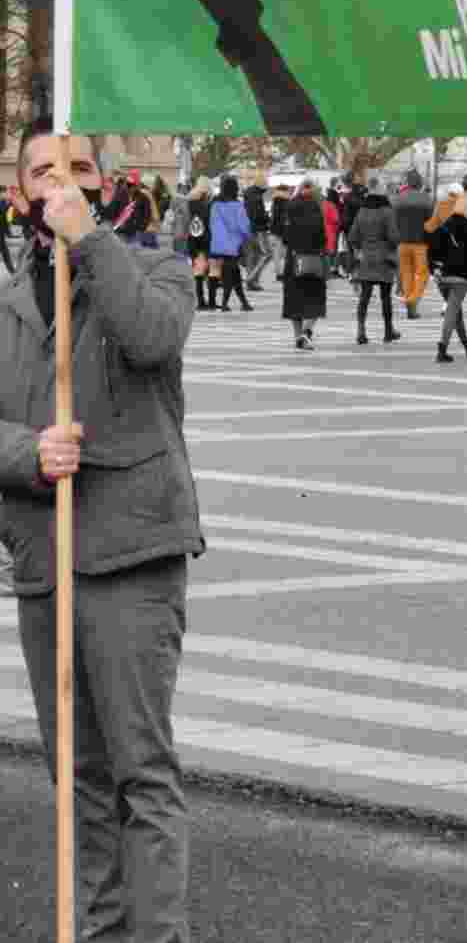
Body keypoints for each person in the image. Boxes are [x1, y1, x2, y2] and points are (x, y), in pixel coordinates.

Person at [0, 116, 203, 943]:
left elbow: (150, 338)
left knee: (140, 774)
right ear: (16, 193)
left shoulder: (156, 270)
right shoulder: (9, 304)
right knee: (76, 780)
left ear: (106, 185)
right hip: (46, 560)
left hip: (131, 556)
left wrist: (90, 245)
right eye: (43, 170)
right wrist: (26, 452)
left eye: (79, 167)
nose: (62, 182)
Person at [428, 186, 467, 363]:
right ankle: (442, 349)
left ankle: (466, 344)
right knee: (452, 311)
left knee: (455, 310)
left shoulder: (445, 225)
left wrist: (433, 268)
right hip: (461, 276)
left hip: (442, 275)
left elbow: (432, 246)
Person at [348, 177, 401, 345]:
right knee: (386, 297)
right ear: (379, 189)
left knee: (365, 296)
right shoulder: (387, 211)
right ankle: (388, 331)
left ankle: (361, 331)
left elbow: (352, 237)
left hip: (366, 258)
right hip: (384, 258)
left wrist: (360, 249)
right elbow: (393, 236)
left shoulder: (361, 211)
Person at [282, 179, 328, 349]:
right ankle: (306, 331)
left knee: (294, 299)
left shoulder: (290, 207)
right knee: (315, 298)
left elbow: (286, 236)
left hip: (293, 259)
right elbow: (322, 237)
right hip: (314, 259)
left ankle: (297, 335)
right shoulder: (316, 207)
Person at [208, 176, 252, 312]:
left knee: (234, 273)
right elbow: (243, 226)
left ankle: (244, 303)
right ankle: (225, 303)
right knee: (230, 273)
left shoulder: (215, 204)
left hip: (218, 244)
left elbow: (211, 224)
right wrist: (247, 237)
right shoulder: (237, 206)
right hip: (233, 244)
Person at [393, 169, 433, 318]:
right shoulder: (426, 199)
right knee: (422, 275)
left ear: (408, 183)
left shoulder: (397, 199)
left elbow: (393, 222)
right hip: (420, 244)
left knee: (406, 275)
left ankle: (411, 305)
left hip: (402, 244)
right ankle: (412, 301)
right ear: (420, 183)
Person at [186, 176, 213, 310]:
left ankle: (200, 300)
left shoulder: (189, 204)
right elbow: (199, 227)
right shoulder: (201, 207)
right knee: (199, 273)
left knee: (198, 273)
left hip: (192, 241)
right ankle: (200, 301)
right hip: (200, 242)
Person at [242, 171, 273, 290]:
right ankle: (251, 278)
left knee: (252, 256)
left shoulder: (248, 194)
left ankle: (252, 283)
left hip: (247, 229)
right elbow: (257, 215)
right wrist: (267, 218)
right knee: (266, 254)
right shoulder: (256, 197)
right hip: (258, 229)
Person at [169, 182, 190, 258]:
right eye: (183, 188)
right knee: (180, 235)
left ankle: (179, 251)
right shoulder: (178, 198)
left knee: (181, 235)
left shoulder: (186, 197)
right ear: (179, 189)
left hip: (182, 219)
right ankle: (179, 251)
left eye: (186, 188)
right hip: (179, 219)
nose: (184, 190)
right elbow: (171, 208)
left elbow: (171, 208)